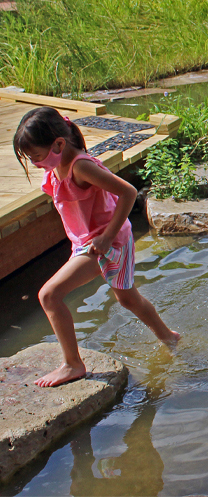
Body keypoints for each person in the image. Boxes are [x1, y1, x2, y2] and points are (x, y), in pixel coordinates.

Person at [14, 107, 179, 388]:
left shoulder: (81, 166)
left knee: (49, 295)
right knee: (127, 299)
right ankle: (169, 337)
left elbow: (127, 192)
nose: (36, 163)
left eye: (37, 157)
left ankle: (73, 364)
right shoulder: (59, 165)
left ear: (58, 144)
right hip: (89, 242)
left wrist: (106, 237)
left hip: (107, 242)